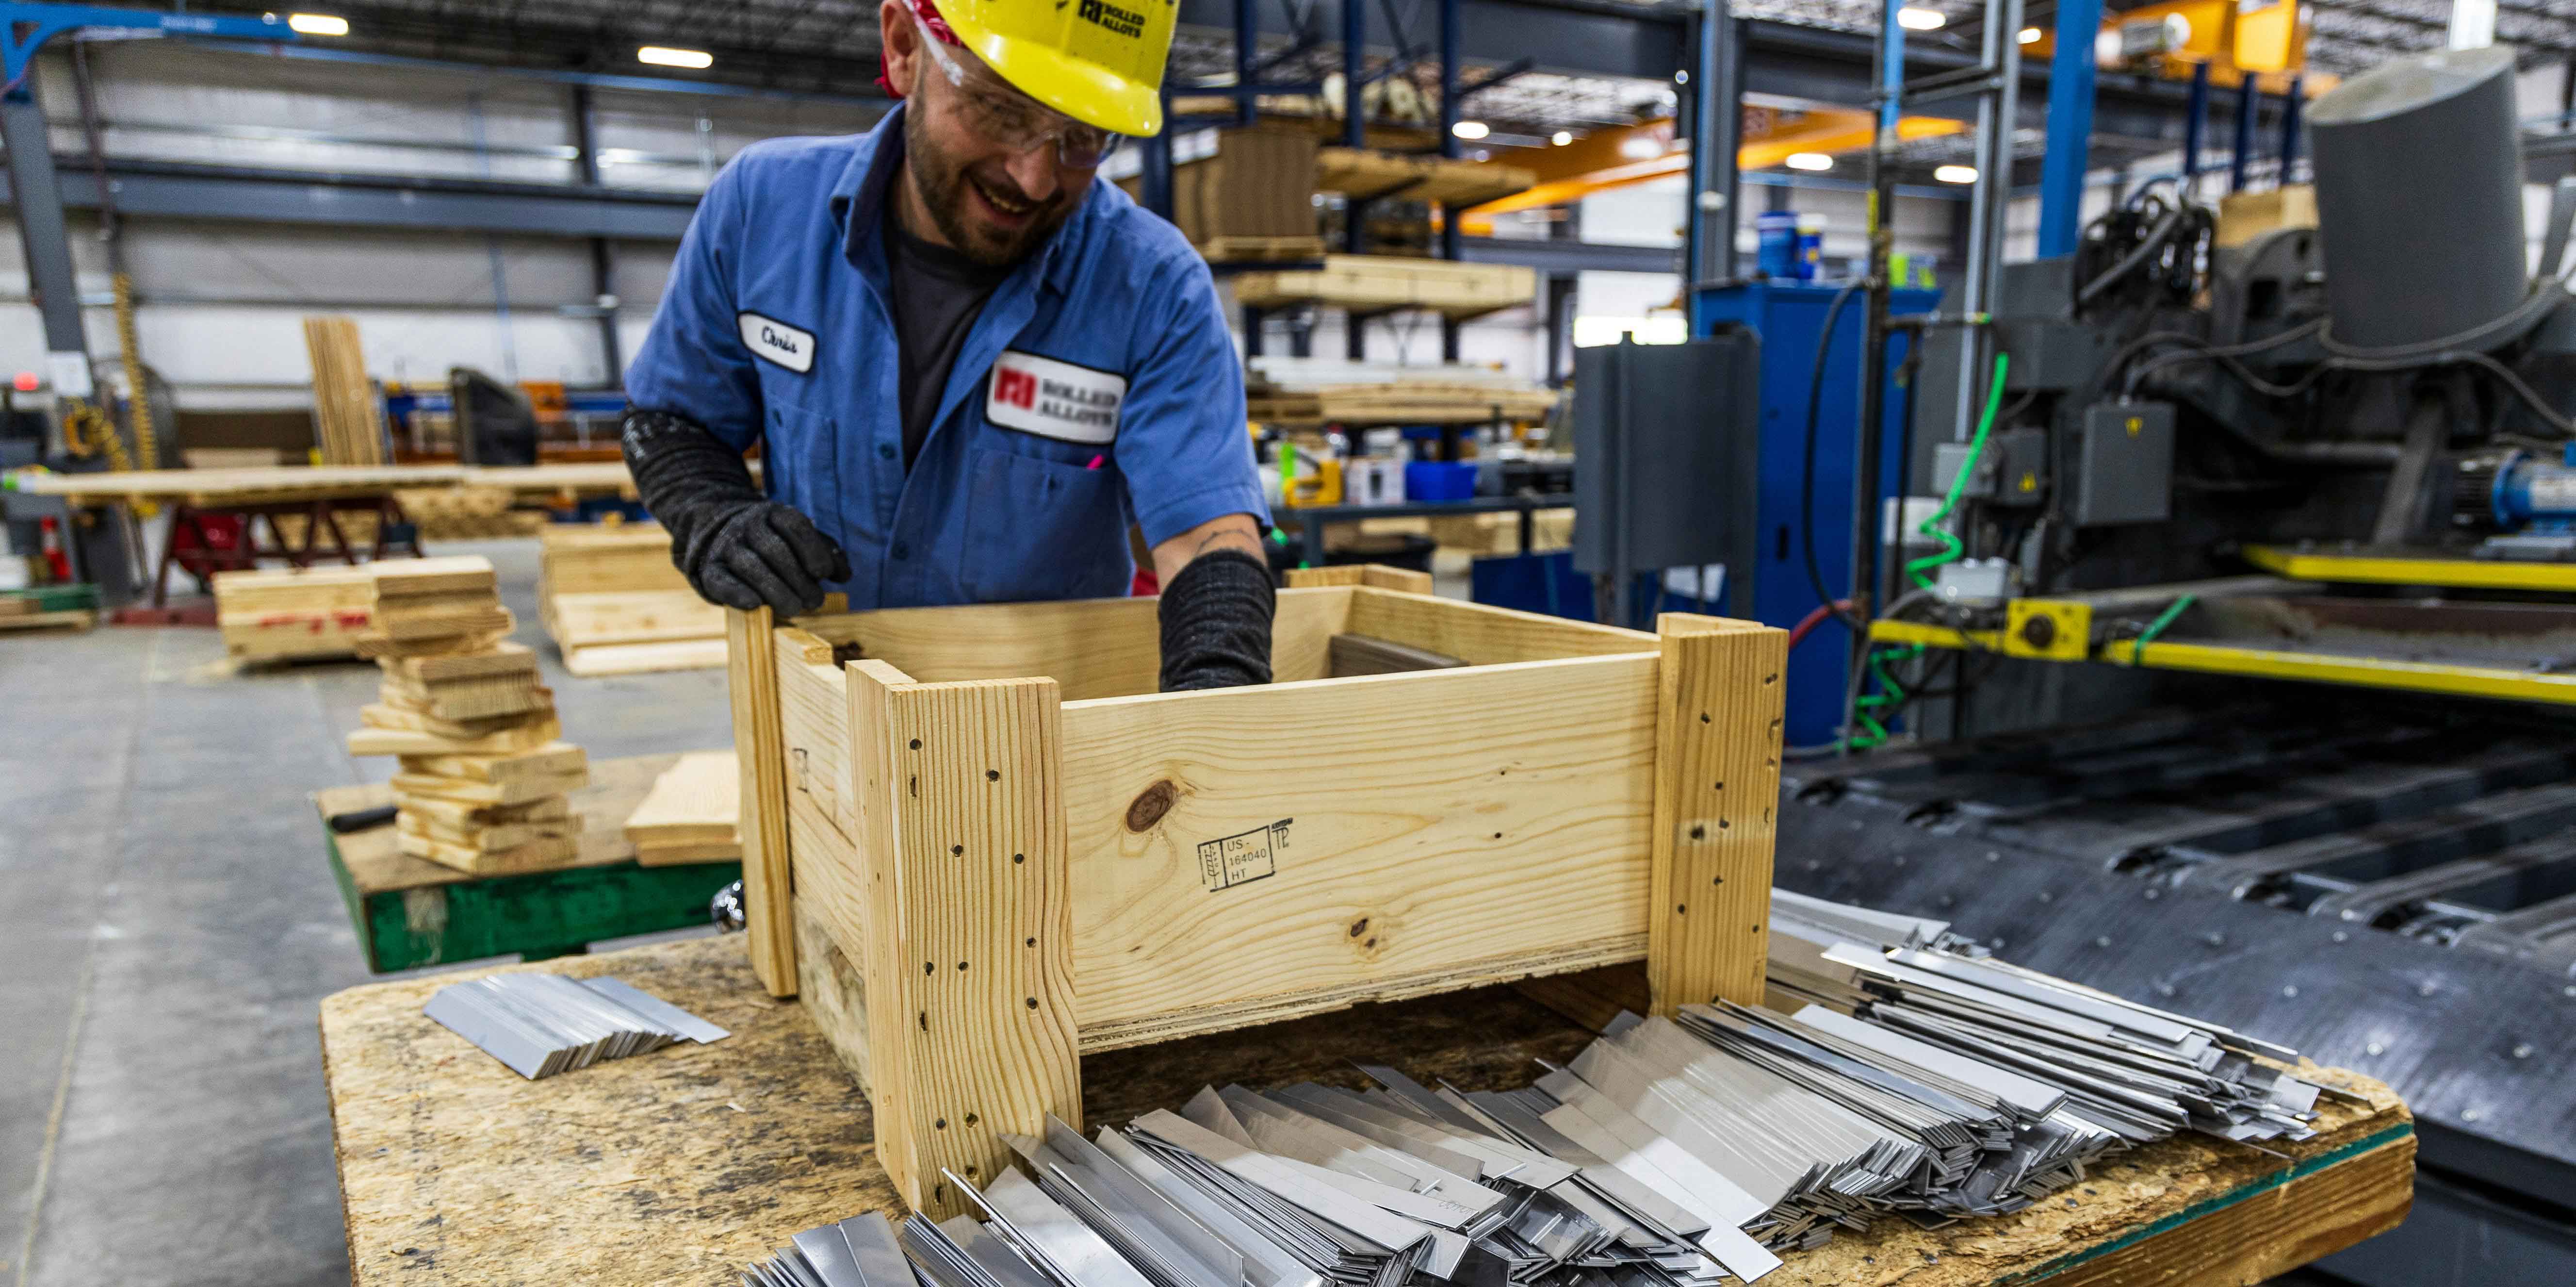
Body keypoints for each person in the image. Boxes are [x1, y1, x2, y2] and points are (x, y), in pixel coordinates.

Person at [619, 0, 1273, 690]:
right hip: (825, 715)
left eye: (1081, 139)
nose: (1034, 178)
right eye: (1000, 111)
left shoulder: (1151, 285)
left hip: (1051, 740)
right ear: (904, 49)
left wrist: (1214, 713)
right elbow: (672, 419)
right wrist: (714, 514)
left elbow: (1207, 535)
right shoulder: (762, 211)